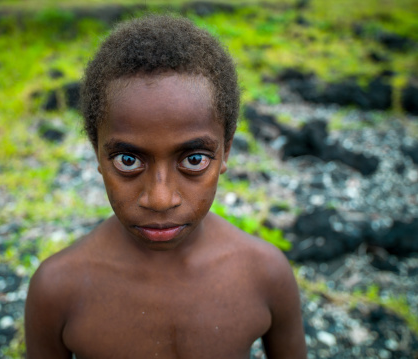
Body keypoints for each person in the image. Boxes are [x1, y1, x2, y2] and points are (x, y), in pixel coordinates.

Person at [25, 15, 307, 359]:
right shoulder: (58, 290)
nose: (160, 199)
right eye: (128, 160)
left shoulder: (266, 274)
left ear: (226, 152)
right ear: (97, 154)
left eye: (194, 159)